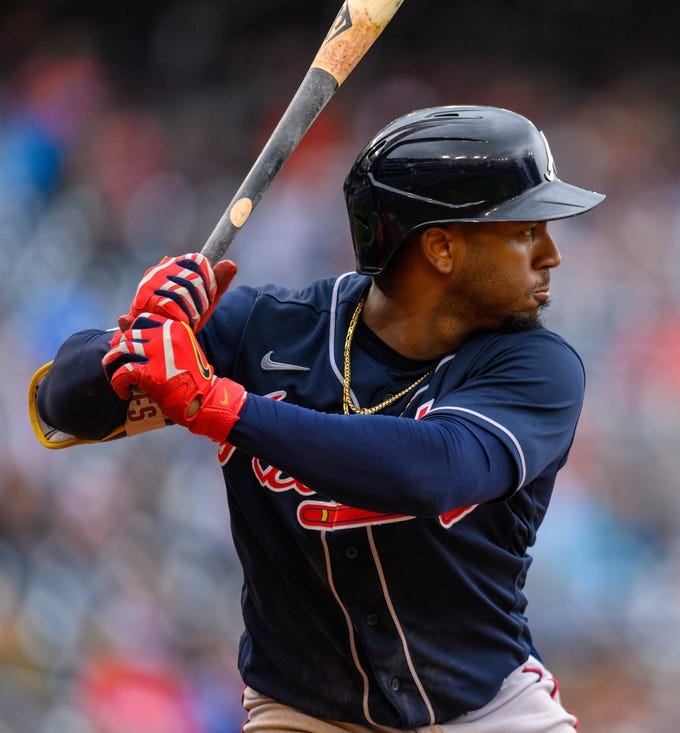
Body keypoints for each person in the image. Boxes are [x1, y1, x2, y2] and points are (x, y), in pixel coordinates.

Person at [30, 105, 604, 732]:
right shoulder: (267, 330)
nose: (550, 254)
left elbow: (433, 469)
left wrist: (220, 405)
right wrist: (134, 343)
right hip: (305, 715)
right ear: (441, 246)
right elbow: (62, 407)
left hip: (486, 712)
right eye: (525, 231)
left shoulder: (537, 366)